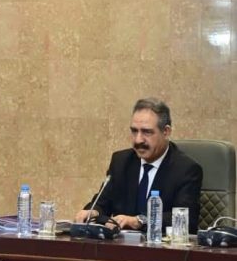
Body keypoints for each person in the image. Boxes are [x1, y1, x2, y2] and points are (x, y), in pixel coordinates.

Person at [74, 98, 203, 234]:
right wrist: (93, 212)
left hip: (160, 245)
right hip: (121, 244)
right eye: (134, 131)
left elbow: (186, 220)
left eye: (147, 132)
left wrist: (139, 221)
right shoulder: (121, 161)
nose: (138, 140)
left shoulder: (186, 169)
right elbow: (102, 203)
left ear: (166, 131)